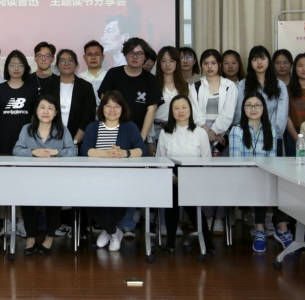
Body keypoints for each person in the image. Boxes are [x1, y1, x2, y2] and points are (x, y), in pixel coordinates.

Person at [80, 91, 146, 252]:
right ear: (101, 108)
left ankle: (108, 231)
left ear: (122, 109)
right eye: (108, 106)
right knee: (87, 200)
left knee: (122, 198)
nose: (112, 110)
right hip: (96, 178)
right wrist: (106, 153)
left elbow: (142, 150)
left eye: (116, 106)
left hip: (122, 178)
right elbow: (85, 149)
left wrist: (124, 153)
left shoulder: (129, 127)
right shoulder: (93, 127)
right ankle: (113, 231)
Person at [12, 94, 78, 255]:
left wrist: (57, 152)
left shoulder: (62, 130)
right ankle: (30, 238)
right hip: (30, 177)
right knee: (26, 198)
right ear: (36, 111)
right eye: (42, 107)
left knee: (54, 198)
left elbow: (73, 150)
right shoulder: (27, 129)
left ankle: (49, 237)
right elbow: (17, 149)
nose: (46, 111)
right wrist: (33, 152)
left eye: (50, 108)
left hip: (55, 177)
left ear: (56, 113)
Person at [229, 93, 293, 252]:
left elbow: (272, 161)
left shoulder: (270, 130)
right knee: (263, 183)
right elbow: (236, 162)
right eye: (248, 105)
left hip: (265, 176)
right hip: (243, 177)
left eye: (257, 105)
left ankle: (278, 228)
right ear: (243, 109)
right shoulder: (237, 130)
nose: (253, 108)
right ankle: (264, 229)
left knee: (277, 182)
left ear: (263, 108)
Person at [155, 95, 213, 254]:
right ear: (171, 112)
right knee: (171, 203)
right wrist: (171, 177)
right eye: (176, 108)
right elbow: (160, 159)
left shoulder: (200, 132)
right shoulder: (165, 132)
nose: (180, 111)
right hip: (171, 175)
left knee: (192, 207)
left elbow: (206, 161)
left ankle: (208, 244)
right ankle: (170, 243)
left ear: (190, 110)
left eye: (184, 107)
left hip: (194, 176)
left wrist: (190, 178)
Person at [190, 48, 238, 235]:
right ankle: (206, 217)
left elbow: (228, 114)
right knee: (203, 178)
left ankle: (219, 218)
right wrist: (207, 133)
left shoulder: (229, 86)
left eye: (213, 63)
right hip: (200, 134)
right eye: (205, 63)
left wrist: (215, 132)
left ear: (219, 65)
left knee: (221, 179)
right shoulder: (195, 86)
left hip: (223, 136)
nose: (209, 67)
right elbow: (195, 113)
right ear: (201, 65)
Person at [0, 49, 37, 238]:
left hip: (25, 146)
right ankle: (6, 222)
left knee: (22, 185)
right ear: (6, 67)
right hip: (3, 144)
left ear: (25, 68)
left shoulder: (32, 89)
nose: (16, 68)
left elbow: (35, 118)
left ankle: (20, 221)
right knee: (4, 184)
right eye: (12, 64)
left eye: (20, 65)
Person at [97, 37, 160, 142]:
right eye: (131, 53)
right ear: (125, 55)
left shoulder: (151, 80)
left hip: (138, 133)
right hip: (111, 133)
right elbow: (104, 103)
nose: (135, 57)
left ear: (145, 57)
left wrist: (141, 137)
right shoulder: (113, 74)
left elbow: (152, 110)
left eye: (139, 53)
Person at [234, 46, 289, 156]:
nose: (259, 62)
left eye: (262, 59)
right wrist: (249, 131)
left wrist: (271, 132)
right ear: (250, 63)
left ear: (269, 61)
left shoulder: (279, 85)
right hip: (248, 135)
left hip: (272, 135)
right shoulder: (242, 85)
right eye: (255, 59)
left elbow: (282, 115)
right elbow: (240, 112)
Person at [47, 48, 96, 146]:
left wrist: (74, 142)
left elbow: (88, 117)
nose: (66, 64)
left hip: (78, 141)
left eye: (70, 60)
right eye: (62, 61)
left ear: (76, 64)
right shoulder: (48, 86)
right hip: (51, 141)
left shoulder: (86, 87)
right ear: (57, 65)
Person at [78, 40, 107, 104]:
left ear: (103, 57)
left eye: (97, 54)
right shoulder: (78, 78)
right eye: (89, 54)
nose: (93, 57)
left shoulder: (109, 76)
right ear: (84, 58)